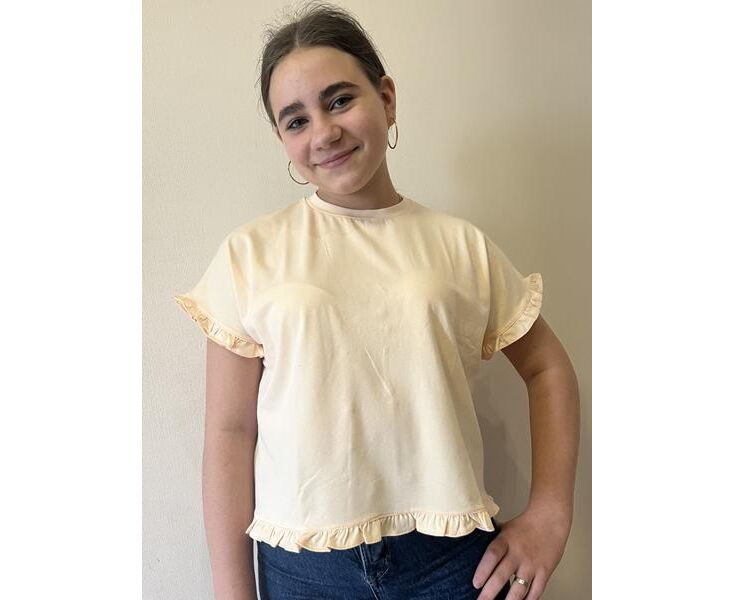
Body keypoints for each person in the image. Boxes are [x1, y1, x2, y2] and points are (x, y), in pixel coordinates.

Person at [174, 2, 580, 599]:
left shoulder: (460, 245)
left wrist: (551, 512)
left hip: (451, 562)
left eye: (340, 100)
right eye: (296, 120)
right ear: (282, 140)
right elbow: (231, 433)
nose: (324, 132)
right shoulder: (250, 254)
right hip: (303, 568)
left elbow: (548, 369)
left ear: (386, 99)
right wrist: (231, 589)